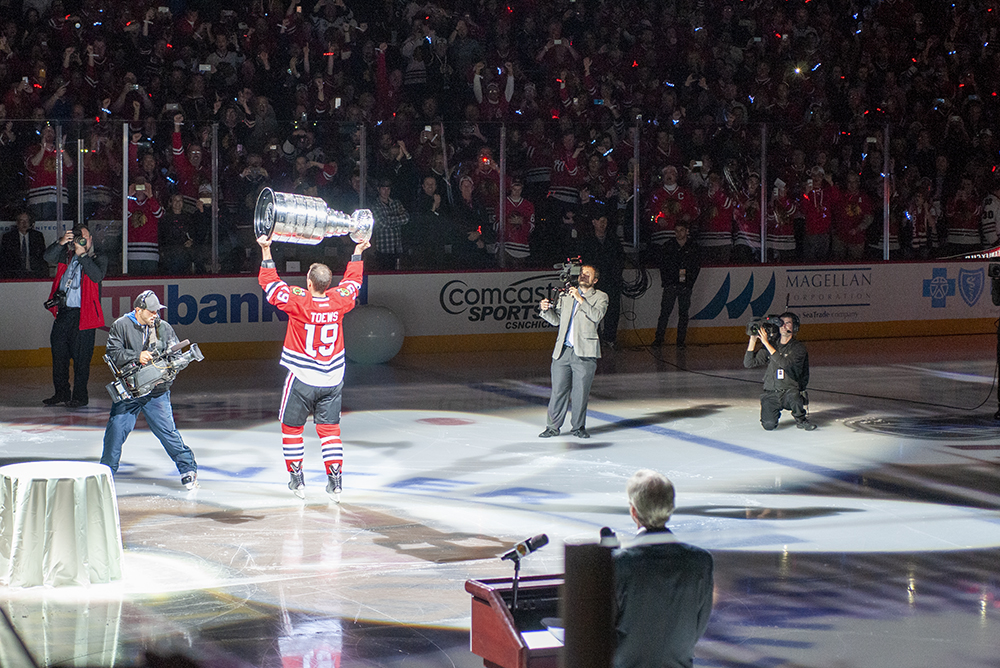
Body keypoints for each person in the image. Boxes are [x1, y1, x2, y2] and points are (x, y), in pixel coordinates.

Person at [257, 233, 371, 501]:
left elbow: (270, 284)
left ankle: (297, 480)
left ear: (309, 283)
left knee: (291, 429)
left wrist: (265, 249)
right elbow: (353, 283)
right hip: (332, 378)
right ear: (328, 283)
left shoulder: (299, 301)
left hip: (303, 377)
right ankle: (336, 482)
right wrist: (358, 253)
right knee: (330, 432)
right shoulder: (339, 300)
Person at [613, 469, 713, 668]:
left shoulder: (620, 564)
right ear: (671, 507)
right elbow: (697, 628)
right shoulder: (701, 562)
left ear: (633, 511)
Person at [100, 290, 199, 489]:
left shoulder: (164, 328)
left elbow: (175, 354)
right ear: (138, 310)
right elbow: (113, 353)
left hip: (157, 391)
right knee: (116, 431)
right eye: (152, 311)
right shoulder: (121, 325)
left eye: (157, 311)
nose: (156, 314)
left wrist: (174, 365)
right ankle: (106, 472)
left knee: (167, 432)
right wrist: (137, 355)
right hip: (130, 391)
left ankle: (188, 468)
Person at [538, 264, 608, 439]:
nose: (583, 276)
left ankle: (578, 427)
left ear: (595, 280)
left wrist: (580, 299)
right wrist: (545, 311)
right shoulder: (565, 295)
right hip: (563, 351)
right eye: (582, 273)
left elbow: (596, 316)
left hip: (585, 352)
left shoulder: (601, 297)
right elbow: (556, 321)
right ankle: (552, 427)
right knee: (558, 391)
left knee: (580, 393)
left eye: (588, 274)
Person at [42, 224, 107, 408]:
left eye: (84, 237)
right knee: (59, 356)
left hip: (84, 315)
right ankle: (61, 393)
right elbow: (47, 257)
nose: (80, 240)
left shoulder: (98, 258)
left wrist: (82, 255)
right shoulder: (66, 255)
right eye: (77, 236)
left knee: (81, 359)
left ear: (91, 240)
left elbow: (96, 276)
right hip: (64, 312)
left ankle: (80, 396)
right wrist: (61, 242)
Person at [743, 312, 817, 431]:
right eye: (781, 323)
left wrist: (766, 343)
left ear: (795, 327)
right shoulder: (772, 344)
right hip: (771, 392)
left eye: (788, 323)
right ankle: (773, 413)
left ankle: (801, 420)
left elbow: (785, 363)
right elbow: (749, 363)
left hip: (789, 392)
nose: (784, 326)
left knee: (794, 395)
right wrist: (753, 339)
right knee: (768, 425)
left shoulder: (798, 348)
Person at [652, 221, 699, 349]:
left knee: (683, 314)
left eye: (682, 230)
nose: (679, 233)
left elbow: (695, 268)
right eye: (677, 230)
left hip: (685, 286)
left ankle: (680, 341)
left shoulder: (693, 247)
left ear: (687, 231)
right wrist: (667, 283)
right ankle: (658, 339)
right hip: (671, 285)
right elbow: (663, 266)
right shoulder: (668, 246)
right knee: (665, 313)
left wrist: (689, 284)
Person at [0, 211, 47, 278]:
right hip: (14, 274)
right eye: (22, 221)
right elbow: (4, 258)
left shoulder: (37, 236)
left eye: (26, 221)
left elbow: (42, 256)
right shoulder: (8, 237)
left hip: (34, 273)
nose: (24, 223)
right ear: (17, 223)